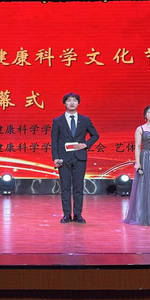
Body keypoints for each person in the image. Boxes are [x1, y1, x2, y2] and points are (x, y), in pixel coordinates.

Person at [51, 92, 99, 224]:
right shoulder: (58, 121)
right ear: (64, 103)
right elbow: (54, 141)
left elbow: (95, 135)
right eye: (69, 100)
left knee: (78, 187)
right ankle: (66, 215)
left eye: (74, 100)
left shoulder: (85, 120)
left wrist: (86, 145)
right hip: (63, 158)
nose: (72, 103)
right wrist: (55, 158)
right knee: (65, 187)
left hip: (79, 157)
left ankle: (78, 215)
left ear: (78, 103)